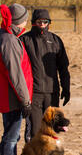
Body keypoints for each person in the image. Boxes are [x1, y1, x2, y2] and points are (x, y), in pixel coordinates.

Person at [0, 3, 33, 155]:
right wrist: (25, 102)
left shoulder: (2, 35)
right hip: (12, 97)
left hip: (7, 93)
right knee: (11, 137)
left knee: (9, 135)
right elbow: (16, 74)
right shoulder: (8, 40)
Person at [20, 9, 71, 142]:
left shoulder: (55, 40)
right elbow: (18, 69)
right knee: (35, 130)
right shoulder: (25, 40)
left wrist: (66, 88)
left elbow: (63, 67)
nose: (42, 24)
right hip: (33, 93)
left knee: (51, 129)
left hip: (52, 92)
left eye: (45, 22)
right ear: (33, 23)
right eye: (39, 22)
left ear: (49, 23)